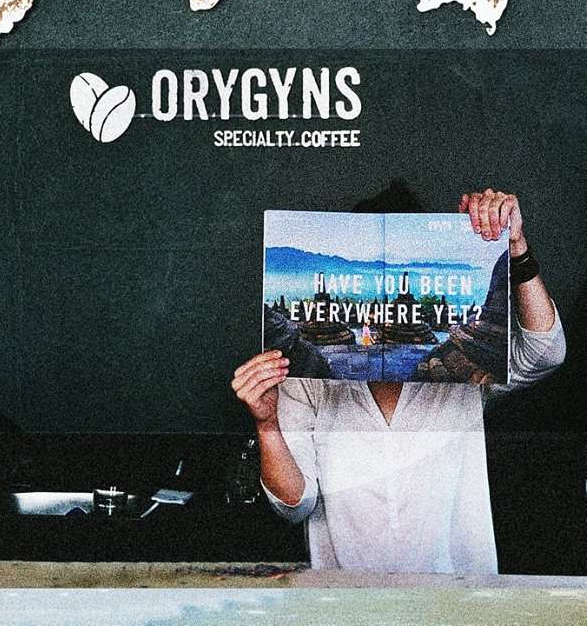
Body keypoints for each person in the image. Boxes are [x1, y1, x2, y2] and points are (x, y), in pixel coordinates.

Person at [231, 189, 566, 573]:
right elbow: (294, 504)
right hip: (344, 598)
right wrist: (267, 424)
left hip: (455, 598)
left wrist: (517, 249)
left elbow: (545, 353)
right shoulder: (308, 379)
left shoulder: (461, 375)